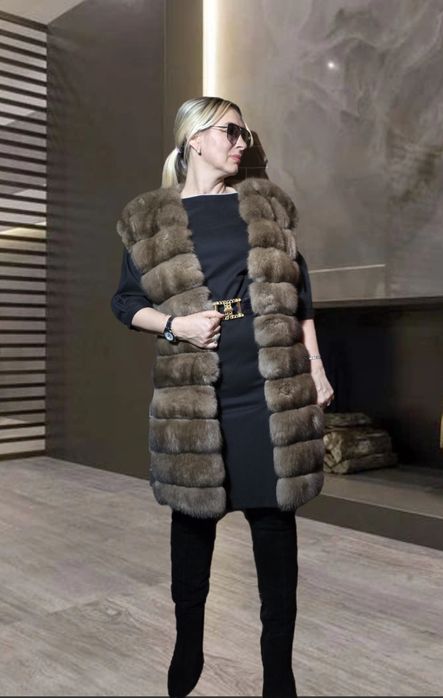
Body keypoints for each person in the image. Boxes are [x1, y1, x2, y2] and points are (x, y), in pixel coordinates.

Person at [111, 96, 334, 698]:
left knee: (275, 532)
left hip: (269, 391)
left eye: (245, 133)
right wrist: (174, 326)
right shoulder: (149, 219)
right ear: (194, 139)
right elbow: (126, 302)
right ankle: (188, 643)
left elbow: (300, 295)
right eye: (230, 131)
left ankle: (279, 673)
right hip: (194, 393)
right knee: (193, 527)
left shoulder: (266, 208)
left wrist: (315, 366)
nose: (241, 142)